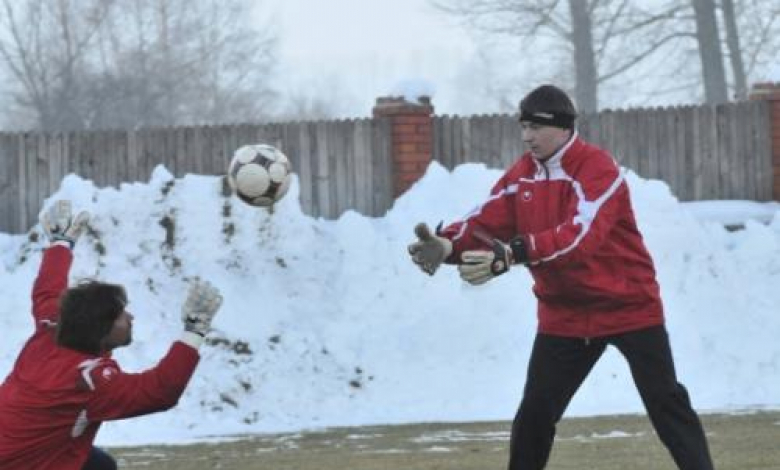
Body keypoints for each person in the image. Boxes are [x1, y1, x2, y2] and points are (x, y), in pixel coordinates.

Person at [408, 84, 715, 470]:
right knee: (534, 414)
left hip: (629, 307)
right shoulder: (522, 175)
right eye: (523, 127)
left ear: (563, 127)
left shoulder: (598, 169)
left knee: (665, 401)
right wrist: (447, 244)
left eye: (536, 127)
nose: (527, 137)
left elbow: (580, 238)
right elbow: (484, 220)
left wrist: (515, 253)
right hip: (565, 317)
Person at [0, 200, 223, 470]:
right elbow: (159, 391)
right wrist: (194, 330)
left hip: (20, 445)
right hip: (19, 462)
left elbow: (48, 289)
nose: (130, 318)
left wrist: (60, 243)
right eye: (121, 315)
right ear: (100, 328)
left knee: (100, 465)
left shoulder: (52, 330)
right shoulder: (87, 382)